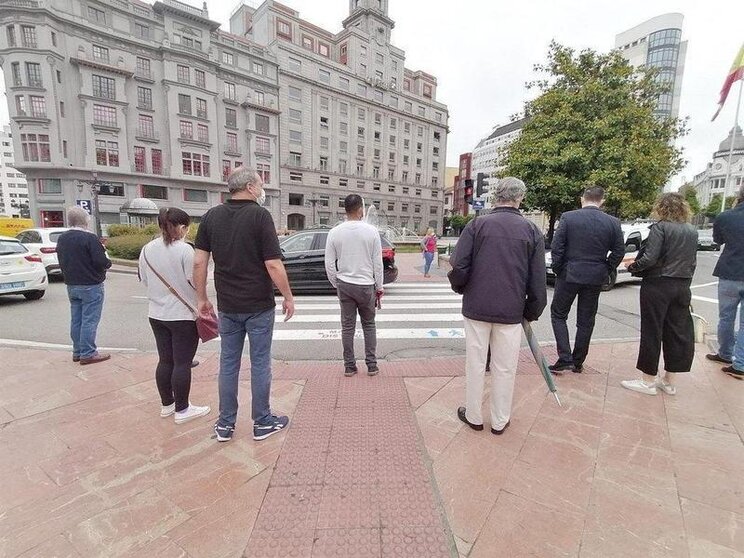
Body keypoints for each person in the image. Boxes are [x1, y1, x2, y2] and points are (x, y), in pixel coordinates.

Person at [193, 167, 295, 442]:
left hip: (227, 304)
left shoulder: (211, 216)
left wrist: (201, 298)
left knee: (229, 362)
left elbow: (200, 261)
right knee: (260, 362)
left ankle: (225, 424)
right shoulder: (260, 216)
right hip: (258, 305)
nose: (262, 189)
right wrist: (287, 296)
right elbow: (273, 263)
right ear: (250, 187)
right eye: (260, 185)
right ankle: (262, 421)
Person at [448, 177, 547, 435]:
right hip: (511, 310)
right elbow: (538, 279)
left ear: (496, 196)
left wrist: (461, 287)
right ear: (520, 198)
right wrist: (531, 310)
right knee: (505, 366)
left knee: (476, 362)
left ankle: (474, 415)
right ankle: (500, 420)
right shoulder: (532, 231)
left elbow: (459, 265)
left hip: (477, 306)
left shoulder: (477, 225)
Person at [621, 193, 698, 395]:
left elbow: (650, 258)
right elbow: (692, 261)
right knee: (678, 332)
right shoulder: (691, 230)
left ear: (661, 208)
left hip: (658, 284)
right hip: (682, 286)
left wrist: (633, 267)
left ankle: (648, 380)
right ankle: (669, 381)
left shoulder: (660, 227)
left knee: (652, 330)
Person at [139, 208, 211, 424]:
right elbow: (195, 280)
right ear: (181, 227)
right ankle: (182, 409)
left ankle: (167, 405)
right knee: (182, 362)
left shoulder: (146, 249)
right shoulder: (185, 250)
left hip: (156, 314)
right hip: (182, 315)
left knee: (165, 360)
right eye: (186, 227)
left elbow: (144, 280)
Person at [549, 186, 624, 373]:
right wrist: (606, 268)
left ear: (582, 199)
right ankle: (578, 360)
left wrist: (559, 269)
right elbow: (618, 251)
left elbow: (557, 247)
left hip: (569, 273)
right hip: (595, 275)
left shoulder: (568, 217)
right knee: (586, 320)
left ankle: (564, 356)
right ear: (602, 201)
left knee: (558, 314)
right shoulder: (613, 222)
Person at [324, 194, 384, 377]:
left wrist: (337, 282)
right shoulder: (372, 231)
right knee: (369, 325)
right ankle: (372, 365)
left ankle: (349, 366)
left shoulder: (334, 232)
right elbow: (378, 263)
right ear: (360, 210)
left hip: (345, 285)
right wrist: (379, 286)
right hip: (366, 285)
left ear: (345, 210)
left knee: (347, 327)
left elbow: (329, 263)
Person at [56, 207, 112, 365]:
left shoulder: (63, 238)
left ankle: (78, 351)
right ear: (86, 220)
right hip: (90, 284)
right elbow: (101, 261)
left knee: (76, 319)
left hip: (72, 283)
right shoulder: (89, 238)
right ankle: (88, 353)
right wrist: (107, 262)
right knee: (89, 319)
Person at [708, 184, 744, 378]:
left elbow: (718, 240)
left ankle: (725, 353)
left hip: (730, 272)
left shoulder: (725, 217)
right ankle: (741, 363)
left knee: (726, 317)